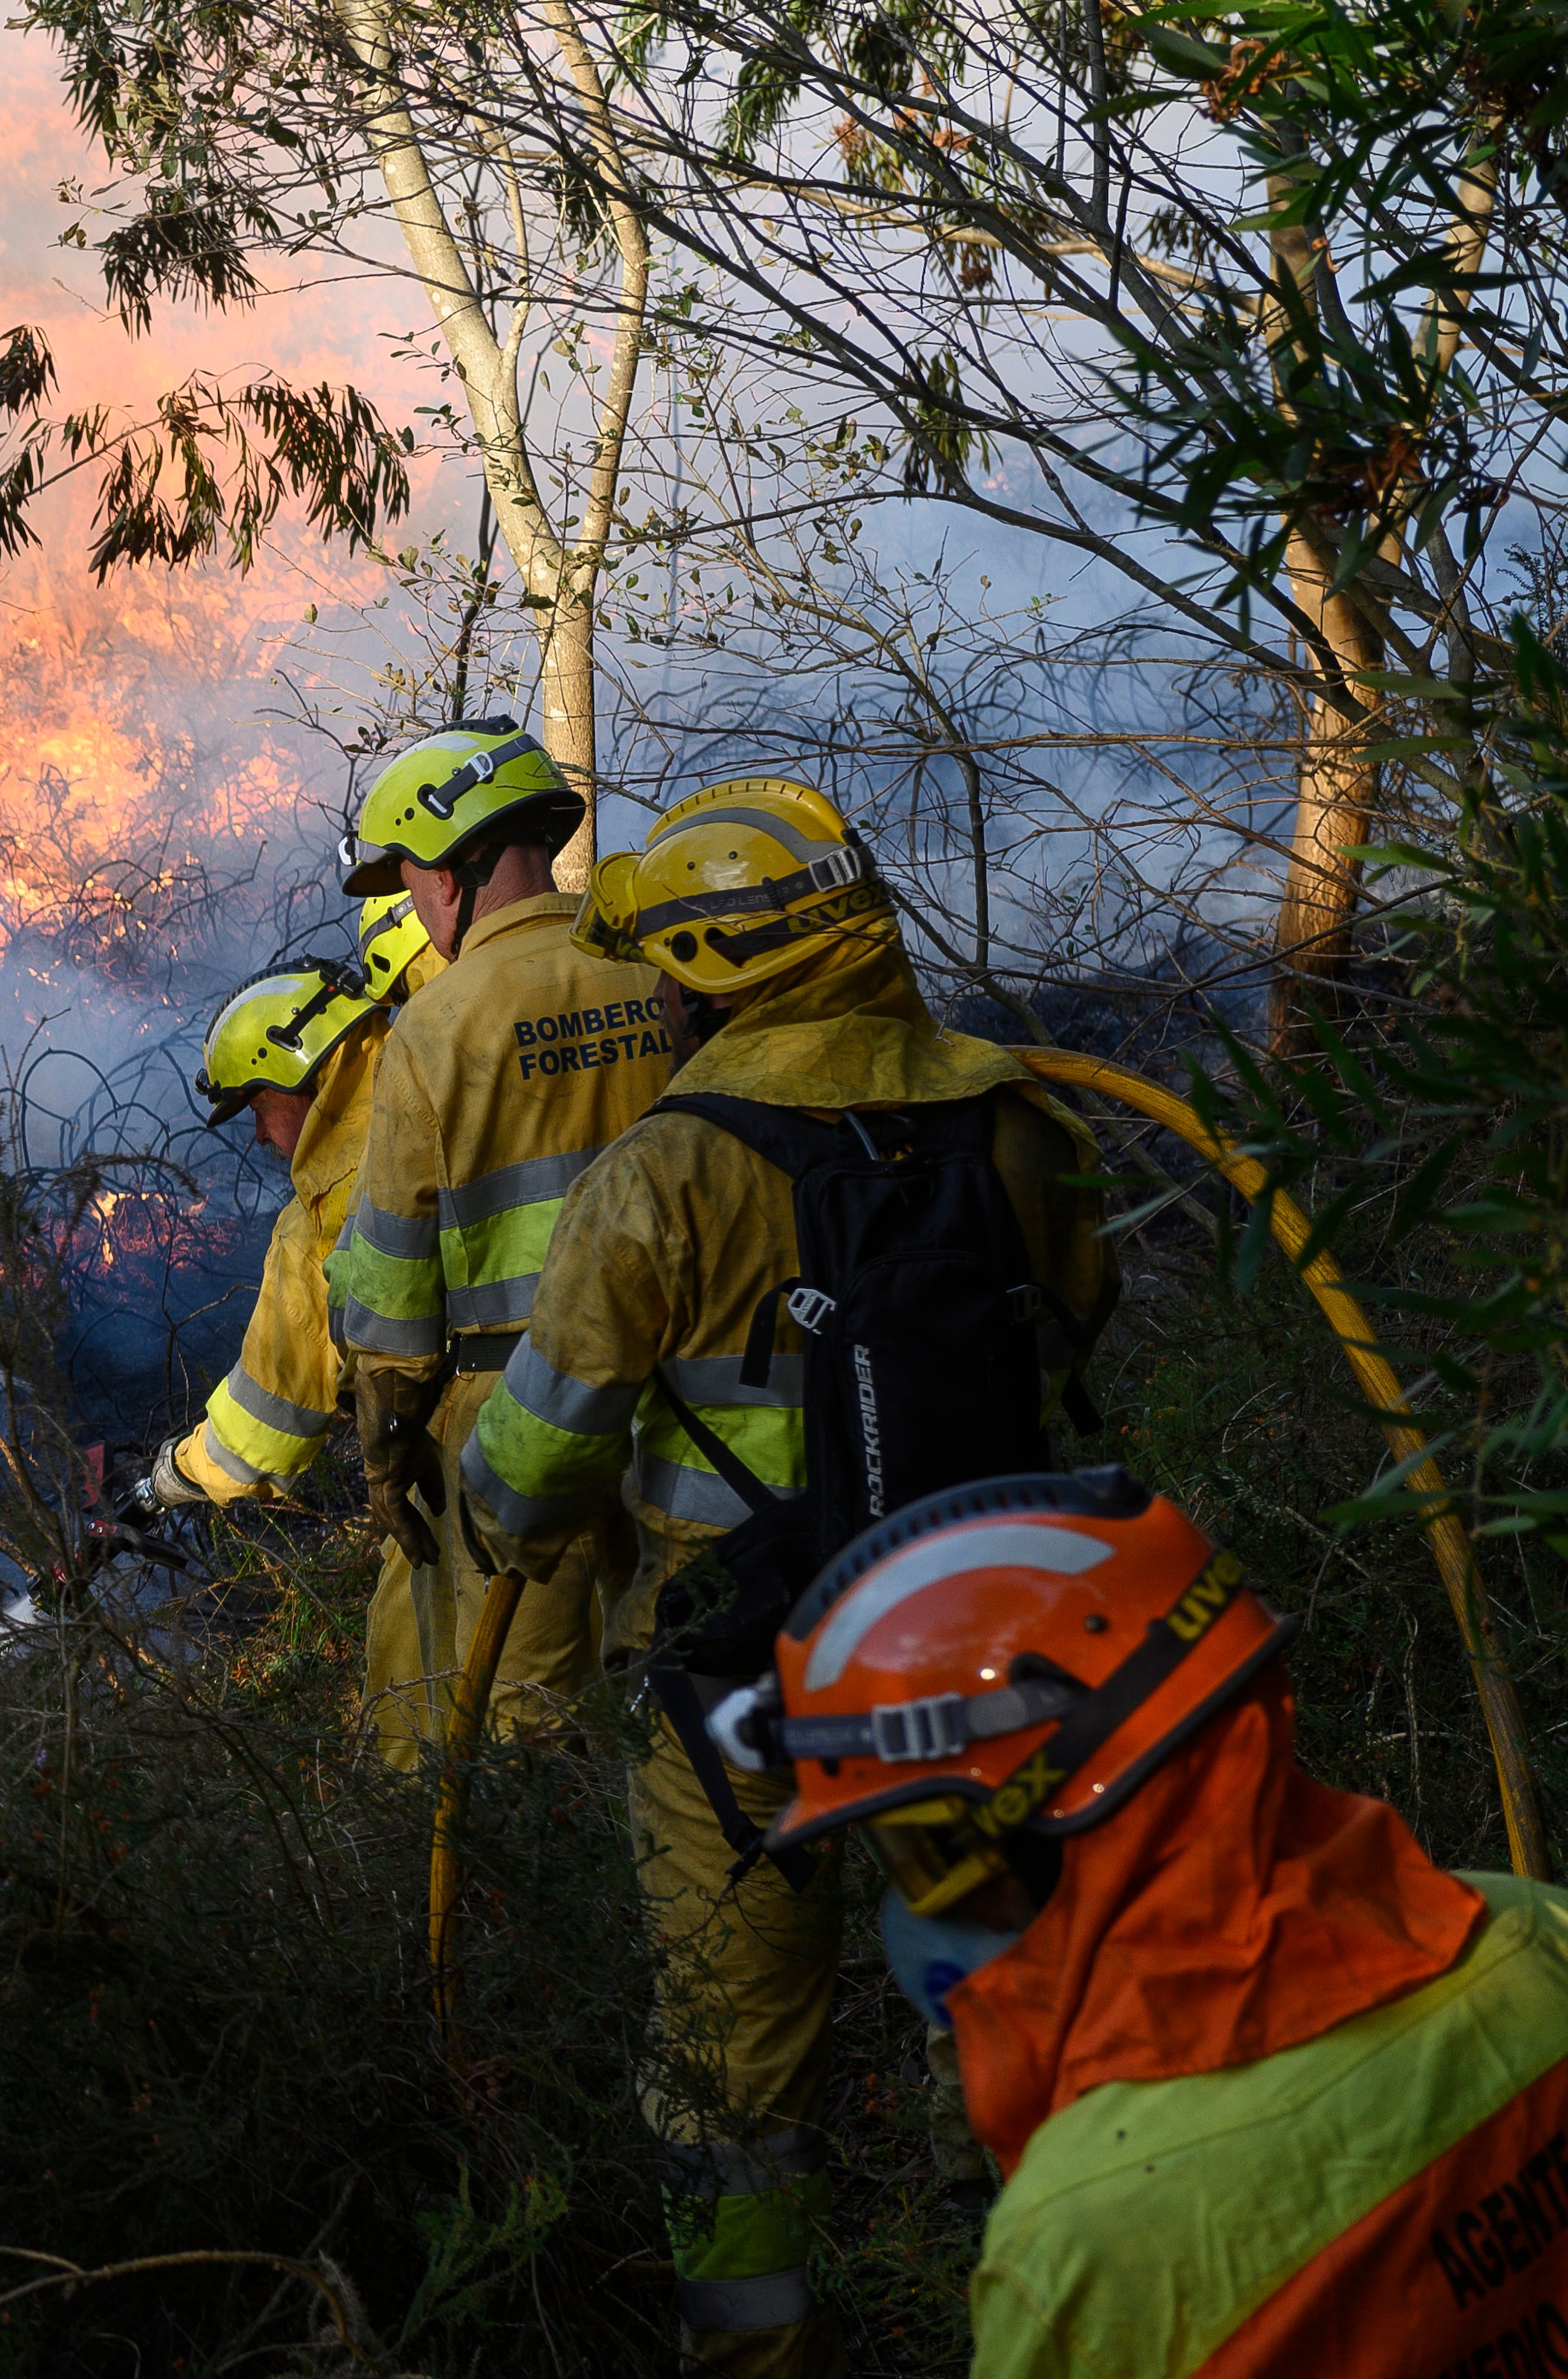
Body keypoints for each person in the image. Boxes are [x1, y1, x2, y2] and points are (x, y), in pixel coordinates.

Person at [455, 775, 1120, 2378]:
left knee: (733, 2078)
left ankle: (756, 2356)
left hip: (739, 1700)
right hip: (988, 1662)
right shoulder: (1018, 1122)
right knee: (1020, 2014)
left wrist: (503, 1514)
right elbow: (1081, 1335)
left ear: (720, 968)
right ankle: (1054, 2316)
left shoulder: (666, 1170)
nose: (666, 1000)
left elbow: (530, 1470)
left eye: (675, 971)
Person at [714, 1470, 1568, 2379]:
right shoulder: (1533, 1931)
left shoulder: (1082, 2244)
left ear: (1053, 1811)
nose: (919, 1910)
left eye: (925, 1853)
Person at [327, 720, 666, 1758]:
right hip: (688, 1403)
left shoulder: (437, 1028)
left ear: (456, 864)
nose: (413, 905)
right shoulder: (665, 970)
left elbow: (391, 1298)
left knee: (517, 1720)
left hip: (511, 1422)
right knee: (675, 1692)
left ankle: (525, 1910)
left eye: (408, 876)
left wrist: (386, 1452)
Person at [148, 893, 440, 1517]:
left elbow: (255, 1439)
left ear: (297, 1072)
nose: (258, 1136)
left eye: (257, 1109)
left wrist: (174, 1473)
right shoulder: (440, 1064)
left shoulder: (319, 1224)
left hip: (465, 1456)